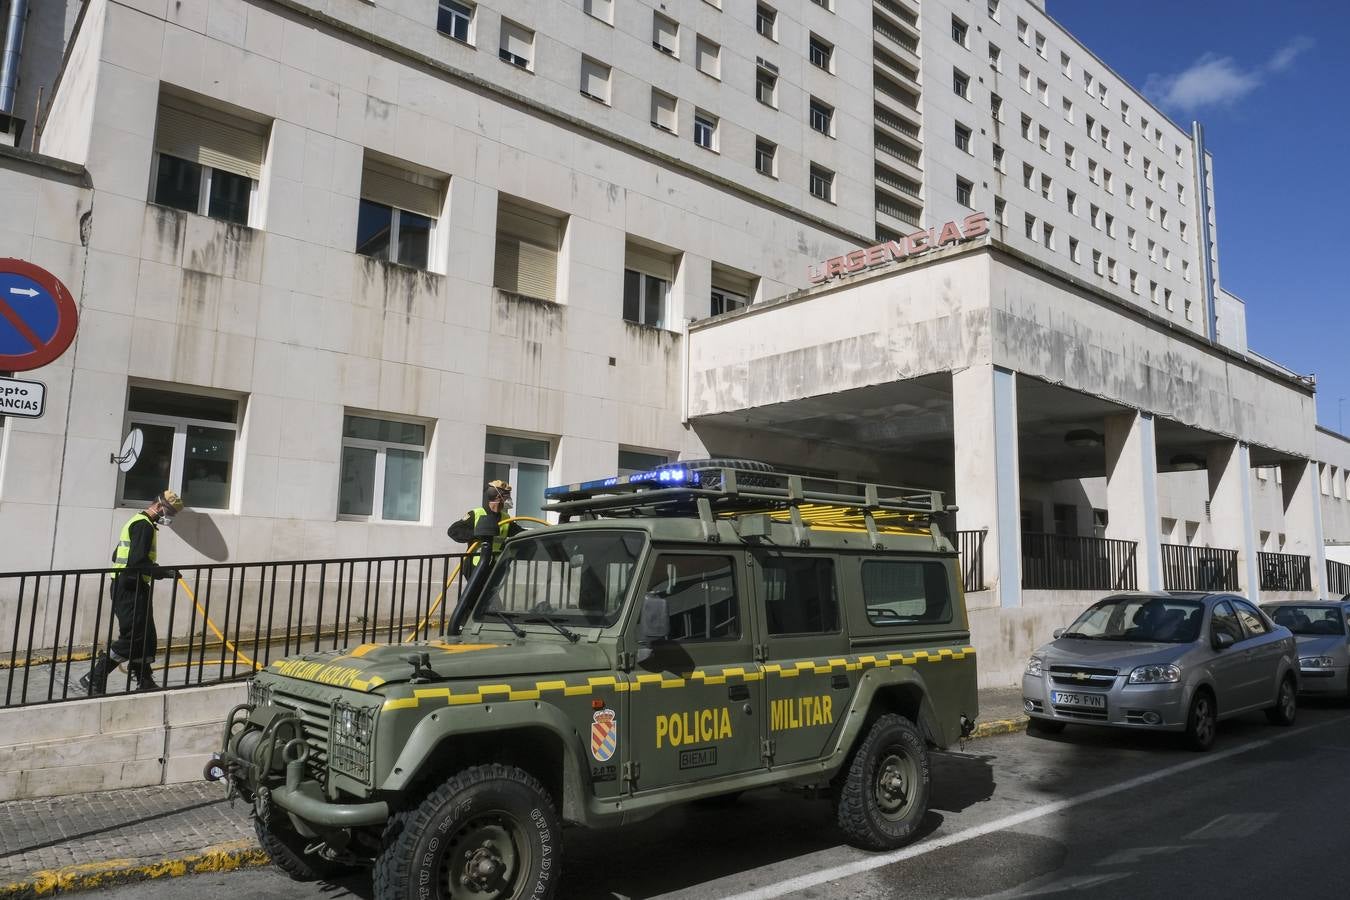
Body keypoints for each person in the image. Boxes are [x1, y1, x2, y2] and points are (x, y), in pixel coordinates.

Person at [81, 490, 185, 695]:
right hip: (129, 587)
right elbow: (137, 561)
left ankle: (144, 680)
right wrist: (163, 572)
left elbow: (120, 554)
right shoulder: (144, 526)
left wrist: (155, 570)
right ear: (158, 505)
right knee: (133, 636)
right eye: (170, 511)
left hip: (133, 585)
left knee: (146, 636)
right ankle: (94, 677)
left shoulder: (138, 522)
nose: (170, 517)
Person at [448, 480, 524, 576]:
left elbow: (520, 533)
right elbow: (453, 531)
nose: (509, 499)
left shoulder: (505, 518)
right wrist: (477, 534)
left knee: (491, 591)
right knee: (476, 591)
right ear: (498, 497)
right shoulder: (476, 514)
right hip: (475, 564)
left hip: (494, 565)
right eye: (506, 496)